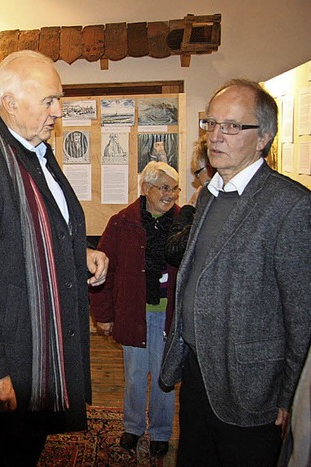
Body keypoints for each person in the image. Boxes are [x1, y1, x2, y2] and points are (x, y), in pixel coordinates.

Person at [0, 50, 108, 466]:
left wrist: (79, 251)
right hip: (16, 357)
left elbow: (30, 234)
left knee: (26, 450)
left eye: (59, 99)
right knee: (11, 456)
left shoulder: (35, 154)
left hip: (38, 347)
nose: (59, 110)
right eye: (49, 100)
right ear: (10, 103)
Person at [160, 79, 311, 466]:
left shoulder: (290, 206)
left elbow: (301, 315)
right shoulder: (210, 193)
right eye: (211, 124)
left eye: (231, 126)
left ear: (263, 138)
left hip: (251, 385)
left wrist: (288, 397)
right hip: (197, 371)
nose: (215, 136)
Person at [90, 161, 181, 458]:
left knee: (164, 377)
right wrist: (103, 315)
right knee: (135, 374)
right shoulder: (122, 222)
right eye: (164, 188)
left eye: (174, 188)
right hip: (134, 312)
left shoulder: (183, 223)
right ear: (146, 188)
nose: (171, 195)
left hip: (169, 314)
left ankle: (160, 432)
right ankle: (132, 426)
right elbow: (104, 271)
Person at [165, 134, 213, 267]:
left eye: (198, 173)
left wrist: (190, 206)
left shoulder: (216, 207)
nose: (197, 179)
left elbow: (174, 250)